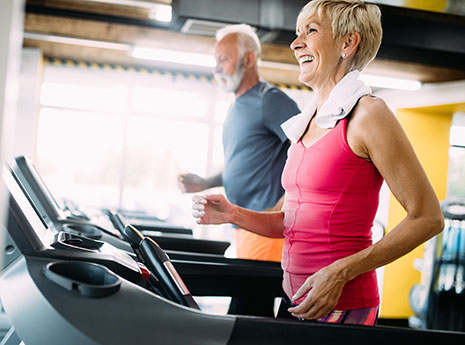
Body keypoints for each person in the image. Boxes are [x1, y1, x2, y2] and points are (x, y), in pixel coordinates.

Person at [191, 0, 444, 326]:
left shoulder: (368, 114)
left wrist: (341, 272)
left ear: (347, 43)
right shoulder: (308, 120)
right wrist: (233, 213)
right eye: (298, 34)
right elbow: (295, 222)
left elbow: (427, 217)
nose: (296, 44)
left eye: (310, 31)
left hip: (341, 303)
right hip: (294, 297)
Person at [178, 24, 300, 316]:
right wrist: (207, 181)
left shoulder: (269, 100)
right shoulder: (237, 107)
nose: (216, 68)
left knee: (247, 308)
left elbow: (308, 146)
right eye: (215, 61)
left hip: (266, 227)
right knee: (249, 307)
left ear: (248, 59)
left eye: (223, 59)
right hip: (244, 226)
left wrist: (286, 201)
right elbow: (243, 160)